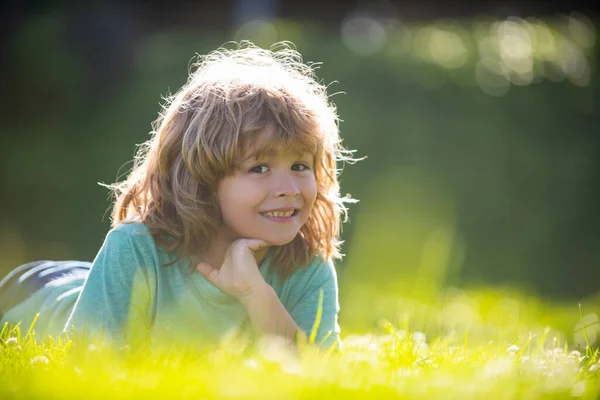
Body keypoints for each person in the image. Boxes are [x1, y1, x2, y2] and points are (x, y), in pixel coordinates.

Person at [0, 41, 362, 352]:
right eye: (259, 168)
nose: (289, 188)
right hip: (37, 292)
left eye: (300, 166)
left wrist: (257, 295)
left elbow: (320, 376)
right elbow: (85, 366)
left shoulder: (305, 267)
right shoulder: (134, 250)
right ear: (201, 179)